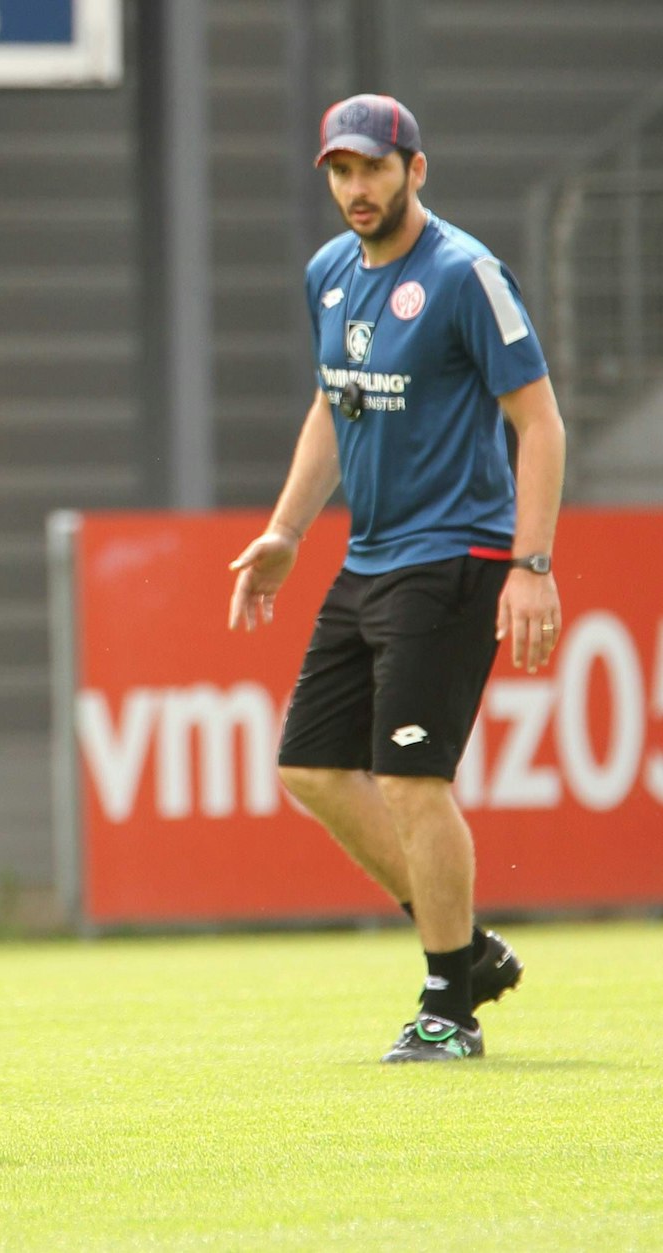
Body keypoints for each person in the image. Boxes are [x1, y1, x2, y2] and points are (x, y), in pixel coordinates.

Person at [227, 95, 564, 1062]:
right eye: (340, 170)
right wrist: (287, 528)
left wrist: (530, 566)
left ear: (417, 170)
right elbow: (335, 406)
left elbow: (539, 423)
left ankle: (447, 1007)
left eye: (373, 168)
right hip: (366, 556)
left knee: (413, 780)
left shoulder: (466, 274)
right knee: (310, 768)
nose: (356, 188)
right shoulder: (329, 273)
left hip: (455, 555)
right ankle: (464, 945)